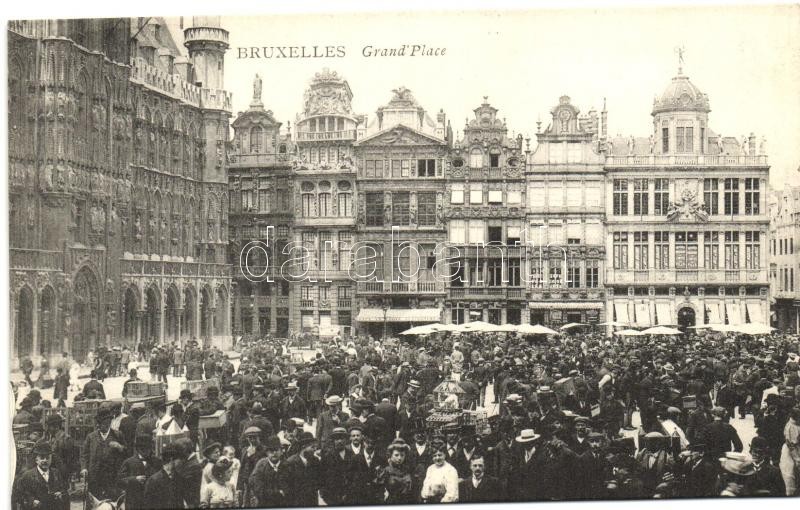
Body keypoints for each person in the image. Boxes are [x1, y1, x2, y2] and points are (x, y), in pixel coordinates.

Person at [80, 405, 127, 500]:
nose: (101, 426)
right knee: (94, 502)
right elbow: (84, 455)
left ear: (109, 422)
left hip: (112, 477)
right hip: (95, 477)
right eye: (100, 423)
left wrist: (119, 447)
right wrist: (84, 468)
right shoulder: (91, 437)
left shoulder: (118, 435)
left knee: (111, 502)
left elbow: (127, 452)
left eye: (106, 423)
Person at [13, 441, 70, 510]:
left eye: (48, 458)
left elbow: (64, 490)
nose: (45, 460)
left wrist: (61, 494)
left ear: (51, 459)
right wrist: (31, 501)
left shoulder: (56, 473)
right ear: (36, 460)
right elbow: (18, 494)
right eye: (42, 458)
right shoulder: (28, 476)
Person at [118, 434, 162, 510]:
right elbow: (119, 481)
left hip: (152, 502)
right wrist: (134, 479)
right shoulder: (128, 462)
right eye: (143, 448)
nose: (147, 451)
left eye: (149, 448)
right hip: (134, 503)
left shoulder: (157, 462)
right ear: (138, 449)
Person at [282, 431, 322, 507]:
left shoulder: (315, 461)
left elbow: (319, 480)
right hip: (295, 502)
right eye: (312, 447)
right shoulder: (290, 463)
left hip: (312, 501)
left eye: (315, 447)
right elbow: (286, 485)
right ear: (303, 447)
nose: (315, 449)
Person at [142, 443, 184, 509]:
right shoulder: (153, 480)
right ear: (171, 460)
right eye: (180, 459)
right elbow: (147, 505)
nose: (182, 461)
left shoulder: (179, 478)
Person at [248, 435, 285, 508]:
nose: (274, 453)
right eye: (271, 450)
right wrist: (277, 493)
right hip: (265, 504)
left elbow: (290, 487)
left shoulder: (286, 465)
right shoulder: (261, 465)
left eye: (276, 450)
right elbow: (258, 488)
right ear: (267, 452)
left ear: (281, 451)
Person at [379, 438, 415, 504]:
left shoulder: (408, 470)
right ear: (391, 455)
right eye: (396, 455)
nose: (399, 458)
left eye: (402, 455)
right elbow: (379, 491)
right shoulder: (386, 471)